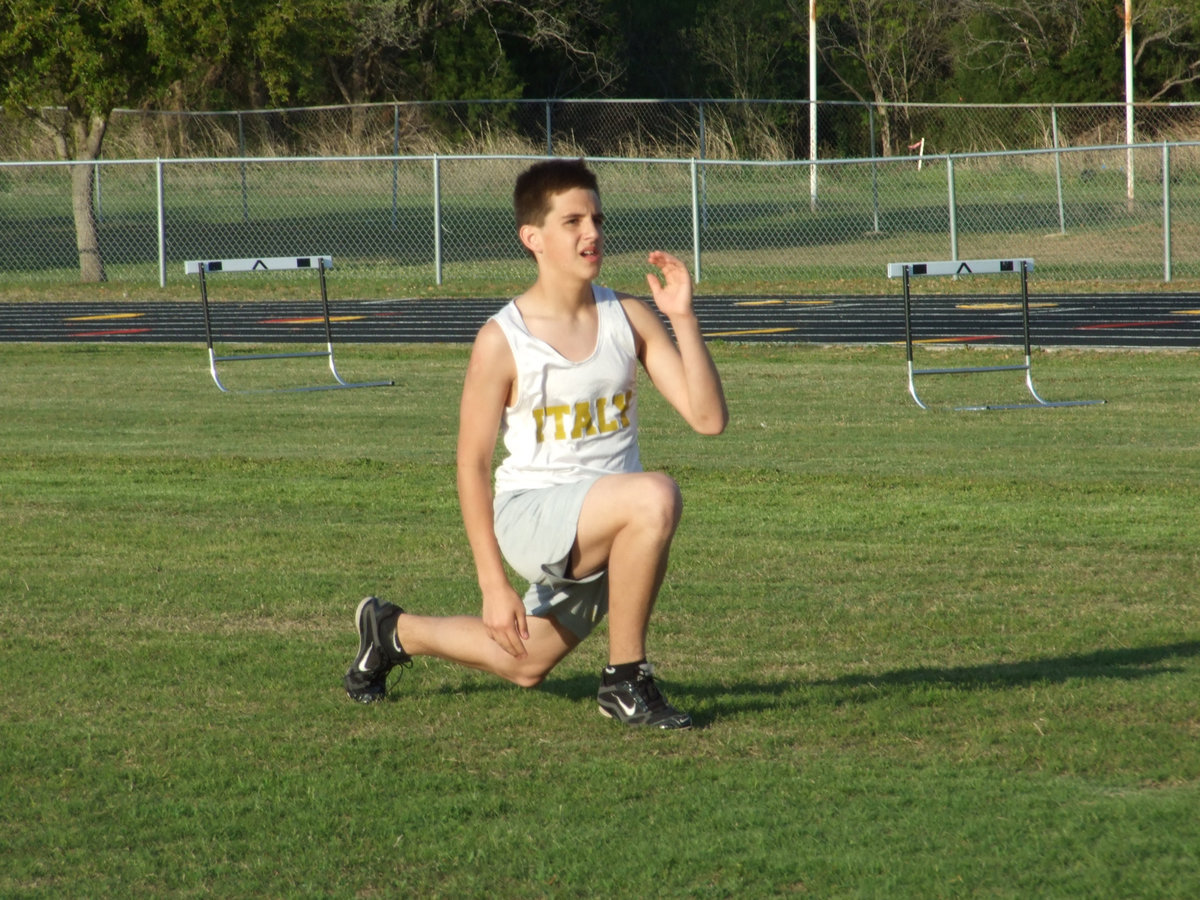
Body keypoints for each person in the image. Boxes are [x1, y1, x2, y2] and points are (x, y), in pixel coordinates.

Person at [344, 158, 728, 729]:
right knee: (656, 496)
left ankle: (391, 630)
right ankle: (625, 681)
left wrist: (683, 317)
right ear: (533, 237)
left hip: (605, 528)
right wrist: (492, 584)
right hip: (532, 517)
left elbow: (707, 418)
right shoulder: (503, 338)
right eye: (572, 221)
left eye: (596, 217)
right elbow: (472, 464)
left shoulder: (630, 316)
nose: (592, 232)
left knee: (523, 664)